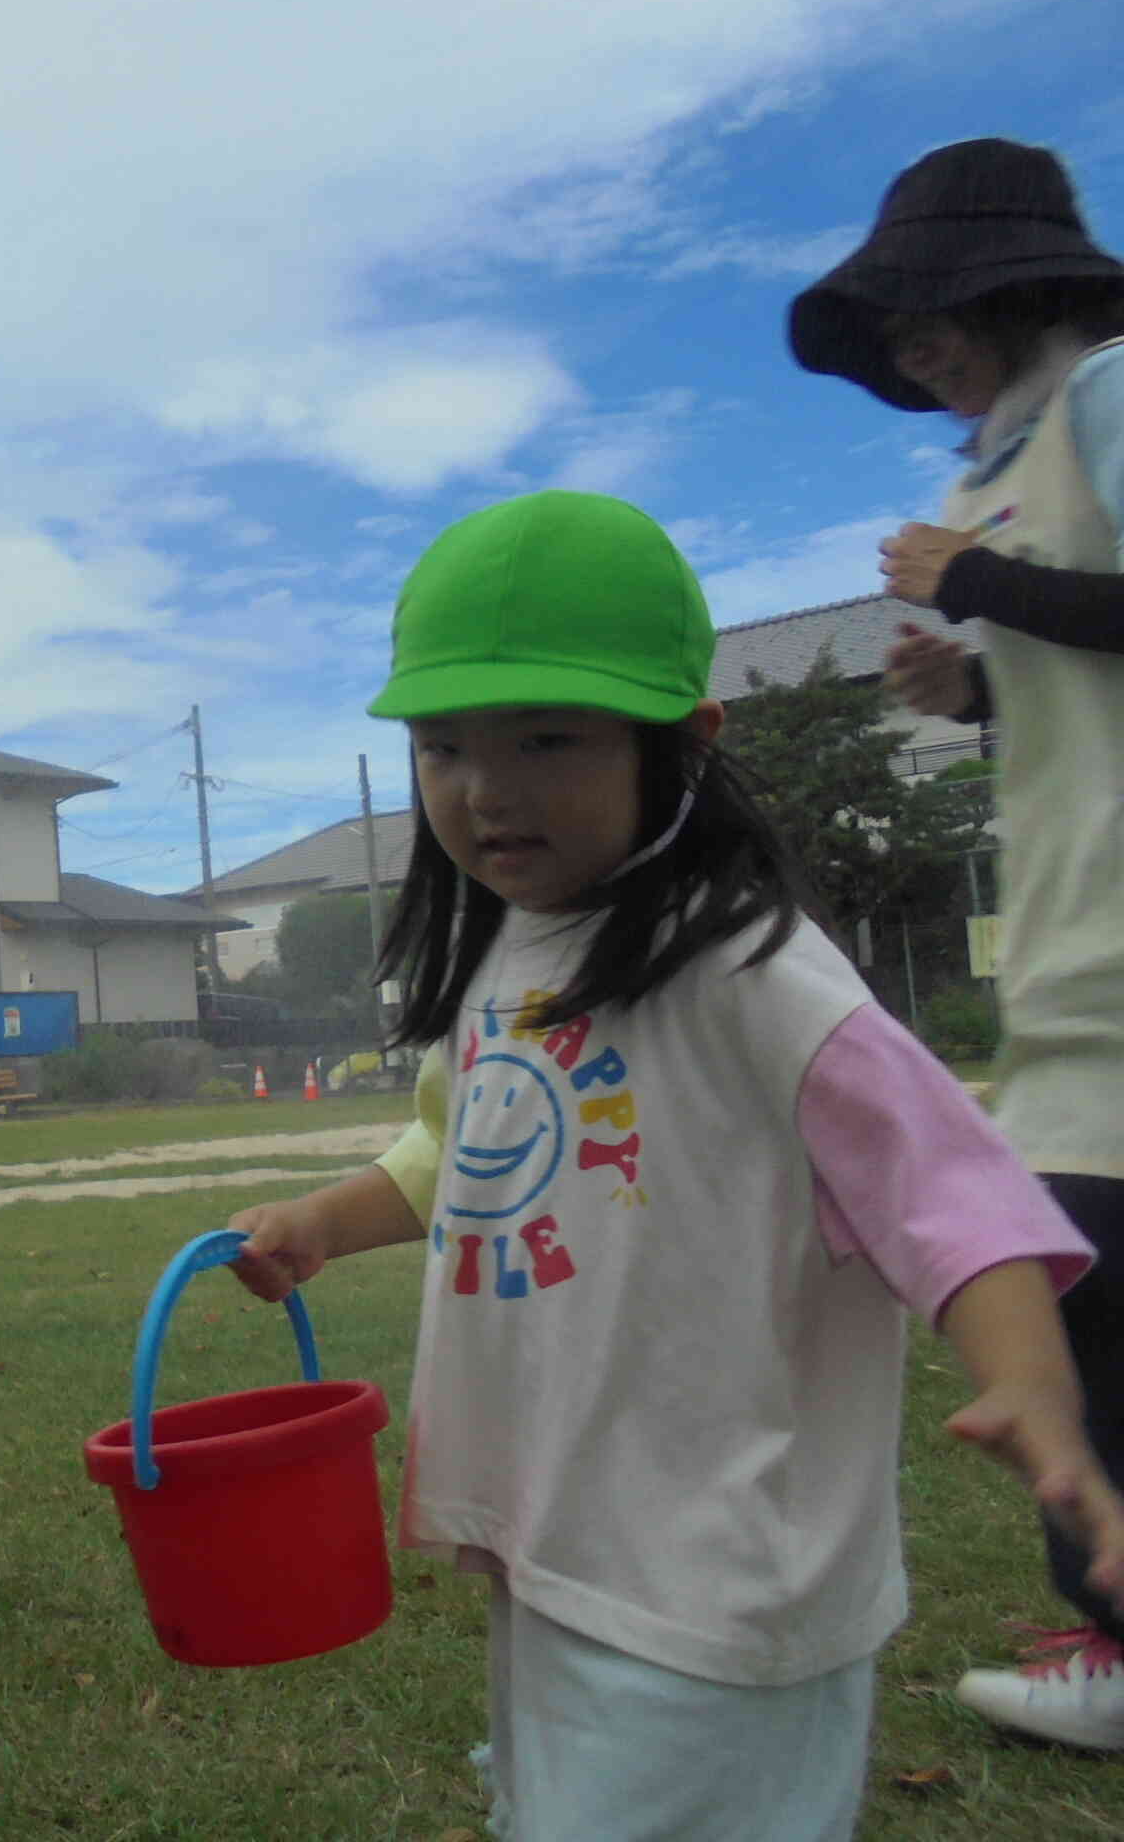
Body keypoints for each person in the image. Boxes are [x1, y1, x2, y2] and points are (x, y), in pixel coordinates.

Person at [225, 491, 1120, 1840]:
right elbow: (462, 1149)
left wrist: (1032, 1380)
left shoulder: (751, 970)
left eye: (545, 738)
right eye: (444, 744)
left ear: (682, 744)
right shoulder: (516, 950)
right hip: (568, 1540)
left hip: (714, 1575)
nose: (484, 786)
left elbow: (953, 1185)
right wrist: (321, 1220)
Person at [791, 135, 1124, 1749]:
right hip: (1068, 958)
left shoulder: (1110, 394)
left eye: (929, 309)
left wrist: (983, 578)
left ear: (1014, 282)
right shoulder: (981, 463)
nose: (911, 347)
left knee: (1075, 1290)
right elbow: (1089, 694)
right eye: (890, 327)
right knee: (1071, 1298)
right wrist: (975, 685)